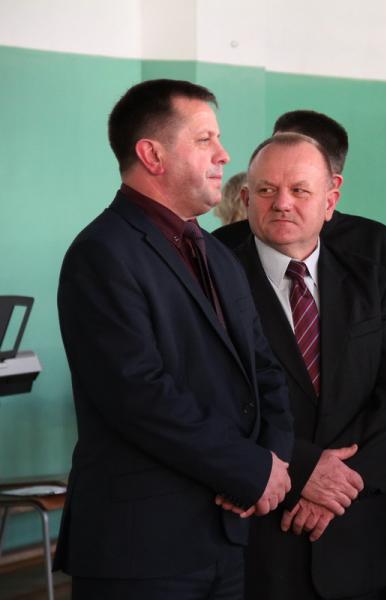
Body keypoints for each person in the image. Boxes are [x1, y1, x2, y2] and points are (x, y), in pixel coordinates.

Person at [55, 79, 294, 599]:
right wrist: (249, 469)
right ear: (152, 155)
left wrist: (273, 463)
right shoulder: (102, 253)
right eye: (205, 139)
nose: (224, 155)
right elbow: (139, 394)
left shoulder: (217, 253)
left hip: (227, 534)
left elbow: (264, 369)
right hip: (142, 547)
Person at [217, 110, 386, 599]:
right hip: (261, 523)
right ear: (245, 199)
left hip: (356, 522)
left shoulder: (369, 271)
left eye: (300, 190)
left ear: (330, 200)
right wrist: (306, 469)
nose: (282, 203)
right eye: (267, 190)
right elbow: (213, 396)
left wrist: (341, 486)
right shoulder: (214, 272)